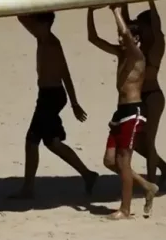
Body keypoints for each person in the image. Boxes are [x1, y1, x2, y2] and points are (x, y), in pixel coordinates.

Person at [9, 12, 99, 199]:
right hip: (46, 95)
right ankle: (88, 175)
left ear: (46, 24)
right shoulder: (40, 38)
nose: (32, 27)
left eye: (36, 24)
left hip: (52, 96)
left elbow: (65, 73)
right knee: (52, 143)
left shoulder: (52, 43)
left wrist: (74, 103)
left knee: (31, 140)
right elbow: (20, 17)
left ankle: (28, 188)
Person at [88, 2, 166, 186]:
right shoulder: (128, 50)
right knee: (140, 144)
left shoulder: (156, 45)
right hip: (136, 99)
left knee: (149, 141)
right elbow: (124, 29)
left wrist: (152, 0)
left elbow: (151, 28)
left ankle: (152, 180)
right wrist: (123, 1)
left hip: (151, 95)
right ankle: (163, 168)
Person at [92, 6, 159, 219]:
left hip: (133, 111)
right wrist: (90, 11)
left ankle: (125, 210)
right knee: (110, 161)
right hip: (120, 112)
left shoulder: (138, 55)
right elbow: (93, 38)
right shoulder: (121, 54)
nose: (121, 41)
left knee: (124, 162)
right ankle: (147, 185)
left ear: (137, 39)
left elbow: (127, 37)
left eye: (126, 38)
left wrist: (116, 12)